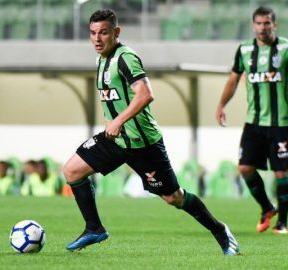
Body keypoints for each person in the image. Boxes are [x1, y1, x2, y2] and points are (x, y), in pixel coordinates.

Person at [62, 9, 239, 255]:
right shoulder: (101, 59)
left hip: (143, 143)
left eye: (103, 32)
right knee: (72, 170)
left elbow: (145, 94)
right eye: (92, 33)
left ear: (116, 32)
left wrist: (119, 120)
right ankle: (94, 228)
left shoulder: (126, 57)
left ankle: (218, 229)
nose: (97, 38)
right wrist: (113, 123)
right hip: (116, 139)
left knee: (173, 198)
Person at [216, 6, 288, 234]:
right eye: (258, 23)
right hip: (254, 122)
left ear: (275, 24)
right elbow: (233, 80)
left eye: (267, 23)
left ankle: (282, 222)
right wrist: (221, 105)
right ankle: (266, 207)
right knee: (244, 168)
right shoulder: (244, 50)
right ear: (253, 25)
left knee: (281, 172)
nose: (262, 28)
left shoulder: (285, 47)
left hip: (281, 122)